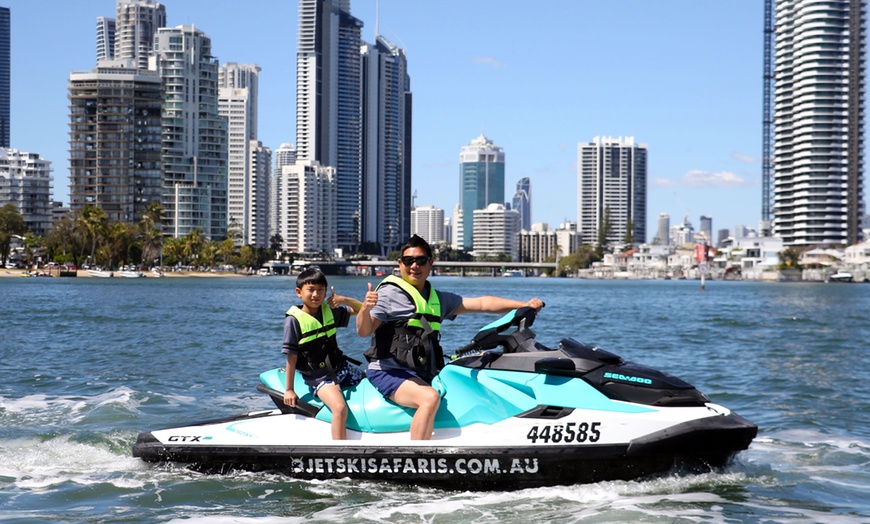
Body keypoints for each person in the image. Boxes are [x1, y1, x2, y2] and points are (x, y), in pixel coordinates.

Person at [357, 235, 544, 440]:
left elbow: (481, 304)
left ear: (430, 263)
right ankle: (417, 459)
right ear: (400, 263)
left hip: (420, 371)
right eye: (409, 261)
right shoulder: (388, 294)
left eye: (420, 261)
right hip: (388, 371)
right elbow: (364, 331)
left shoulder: (438, 299)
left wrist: (524, 305)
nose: (414, 266)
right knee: (429, 397)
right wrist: (365, 309)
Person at [282, 267, 364, 440]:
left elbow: (362, 309)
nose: (316, 295)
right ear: (299, 292)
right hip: (320, 377)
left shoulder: (328, 311)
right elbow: (291, 356)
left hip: (341, 367)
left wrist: (343, 300)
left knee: (372, 380)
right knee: (340, 408)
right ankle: (340, 454)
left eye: (320, 290)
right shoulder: (294, 320)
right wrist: (289, 389)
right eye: (311, 290)